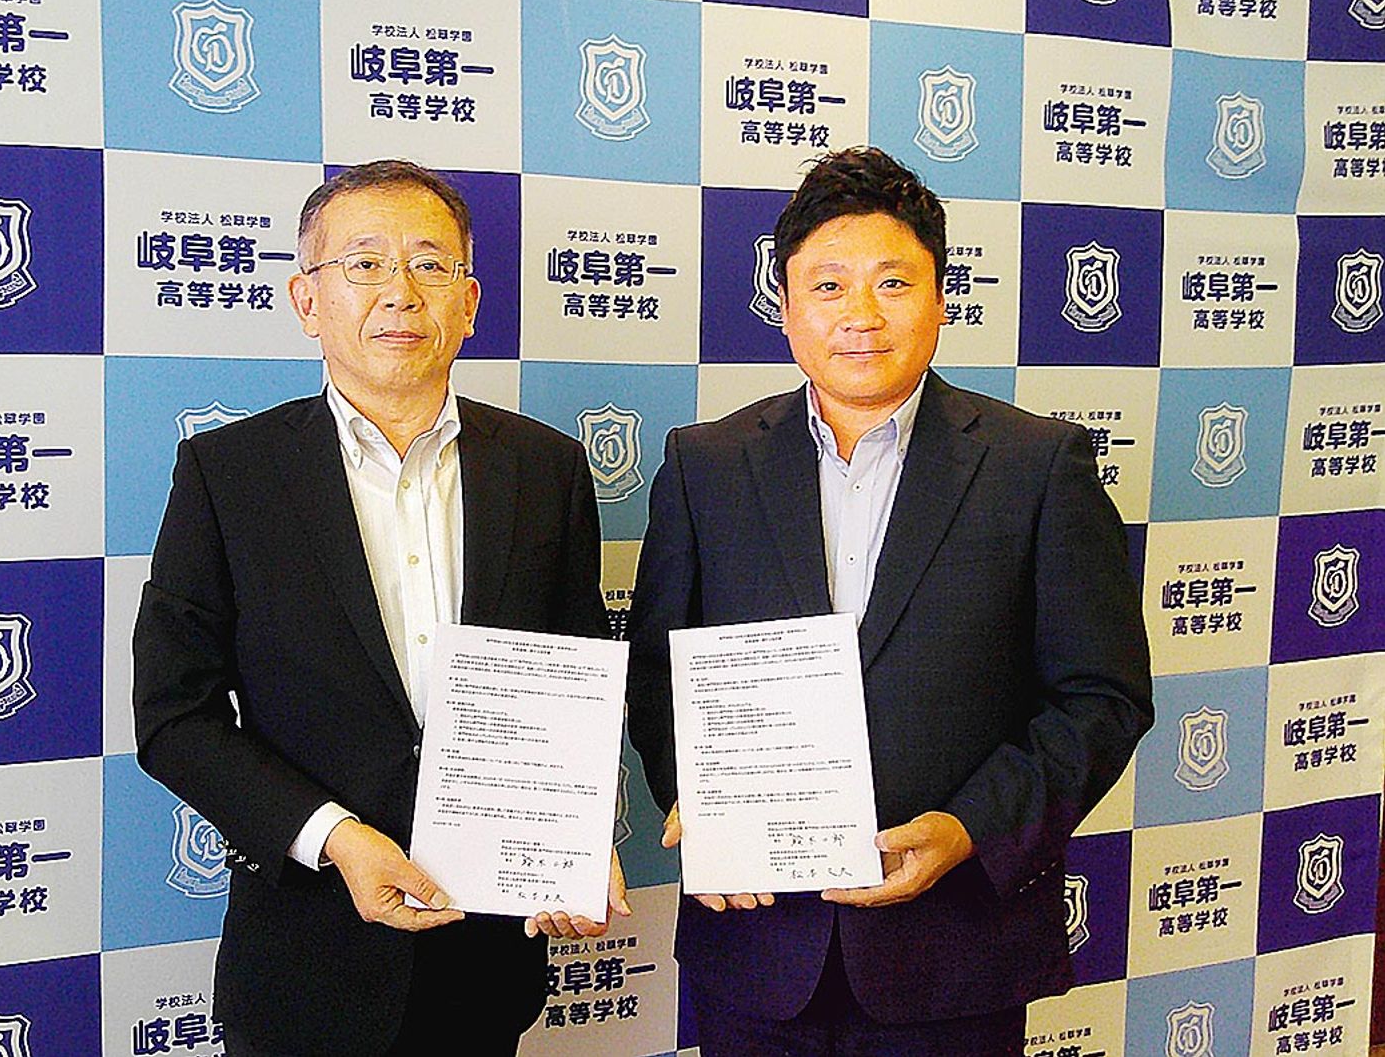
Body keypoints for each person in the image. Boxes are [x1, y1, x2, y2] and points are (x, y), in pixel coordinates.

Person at [626, 147, 1152, 1056]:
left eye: (894, 283)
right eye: (828, 285)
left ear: (943, 297)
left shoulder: (1038, 465)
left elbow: (1102, 698)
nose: (861, 315)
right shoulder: (704, 465)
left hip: (956, 957)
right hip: (756, 948)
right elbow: (658, 678)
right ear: (785, 305)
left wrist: (967, 829)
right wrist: (700, 804)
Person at [133, 160, 624, 1057]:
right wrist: (336, 837)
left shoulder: (545, 469)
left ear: (469, 303)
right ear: (306, 299)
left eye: (430, 264)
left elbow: (576, 681)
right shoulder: (230, 475)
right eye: (364, 263)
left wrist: (574, 832)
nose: (401, 291)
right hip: (304, 958)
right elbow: (174, 716)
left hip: (485, 955)